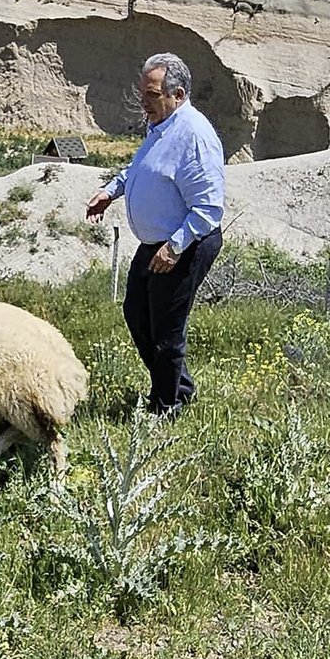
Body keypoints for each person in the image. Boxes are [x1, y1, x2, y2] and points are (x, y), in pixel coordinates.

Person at [86, 52, 225, 415]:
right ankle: (178, 387)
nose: (142, 102)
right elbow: (141, 169)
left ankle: (167, 407)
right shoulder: (160, 126)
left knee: (166, 329)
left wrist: (175, 247)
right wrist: (111, 191)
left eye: (151, 94)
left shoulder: (193, 136)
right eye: (143, 92)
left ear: (176, 95)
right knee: (137, 313)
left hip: (186, 242)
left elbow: (209, 208)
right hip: (157, 244)